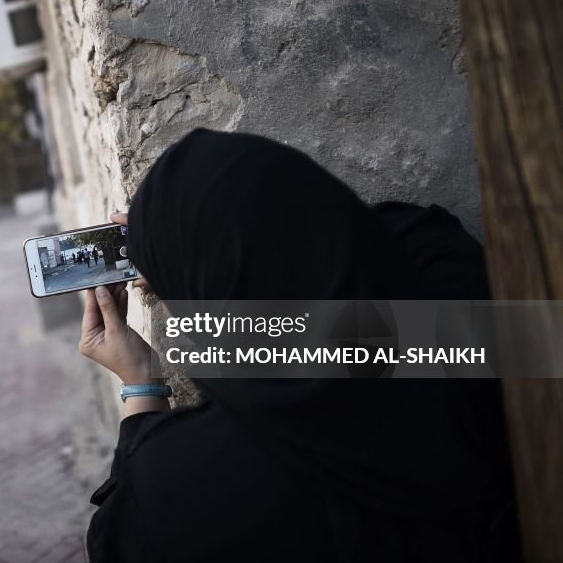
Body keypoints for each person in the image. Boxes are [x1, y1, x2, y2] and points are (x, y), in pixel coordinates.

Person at [79, 129, 519, 562]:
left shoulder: (187, 487)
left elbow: (121, 536)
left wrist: (141, 381)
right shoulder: (456, 299)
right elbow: (375, 230)